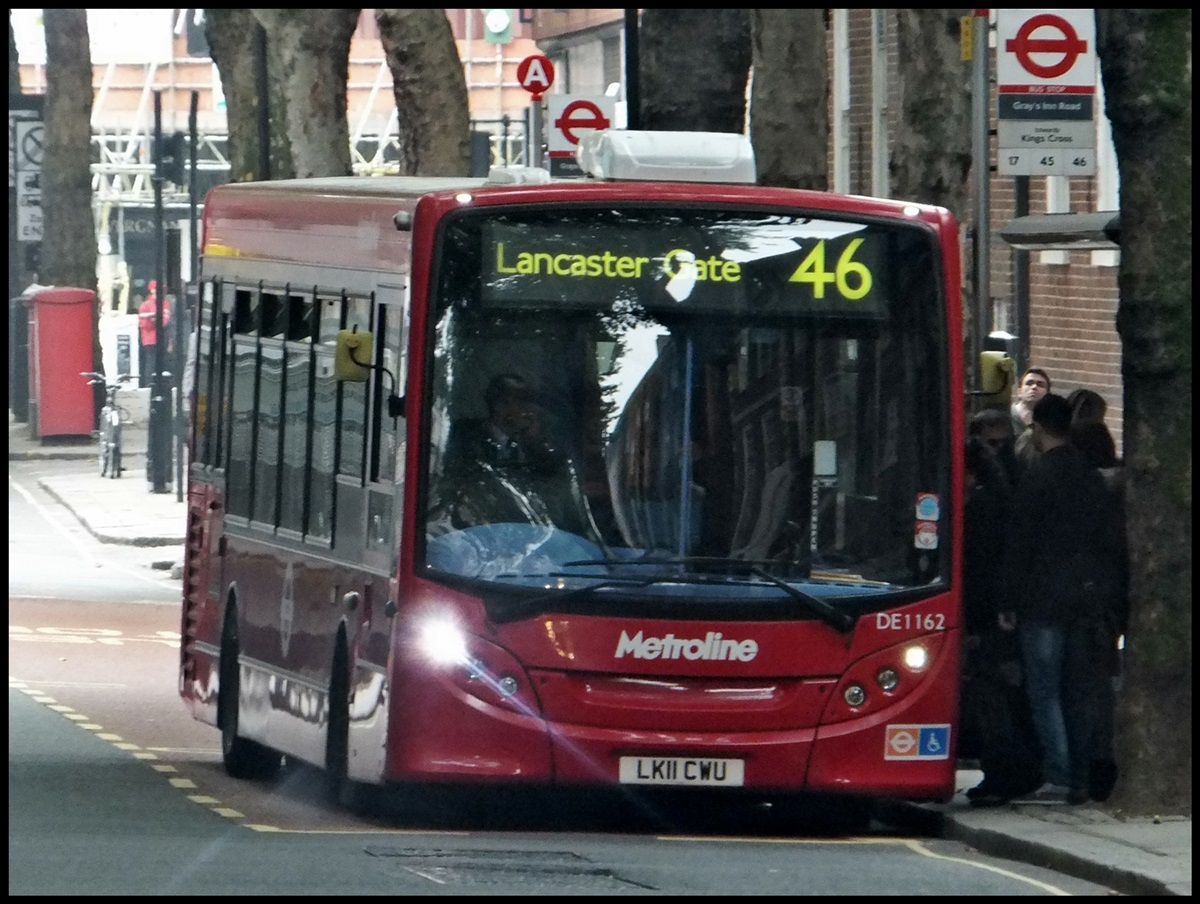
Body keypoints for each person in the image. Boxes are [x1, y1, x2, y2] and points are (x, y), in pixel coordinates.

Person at [1001, 393, 1126, 805]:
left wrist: (1007, 599)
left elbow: (1019, 543)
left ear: (1037, 428)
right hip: (1086, 600)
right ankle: (1078, 779)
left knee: (1045, 691)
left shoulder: (1037, 477)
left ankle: (1056, 776)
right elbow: (1108, 541)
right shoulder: (1089, 477)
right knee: (1077, 691)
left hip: (1042, 599)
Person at [960, 437, 1043, 806]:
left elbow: (979, 571)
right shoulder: (998, 498)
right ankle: (1007, 772)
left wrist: (974, 626)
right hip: (999, 616)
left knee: (991, 700)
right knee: (1002, 696)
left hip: (987, 620)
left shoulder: (981, 506)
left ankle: (1003, 773)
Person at [440, 373, 584, 532]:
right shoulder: (468, 445)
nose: (530, 410)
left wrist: (536, 444)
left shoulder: (533, 447)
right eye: (523, 401)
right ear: (501, 406)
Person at [968, 406, 1023, 489]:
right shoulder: (969, 463)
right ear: (977, 439)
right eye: (993, 442)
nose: (1000, 447)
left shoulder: (1013, 460)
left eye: (1006, 441)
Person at [1011, 367, 1051, 466]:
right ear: (1019, 391)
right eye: (1029, 383)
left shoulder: (1048, 423)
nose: (1034, 387)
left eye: (1040, 385)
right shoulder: (1006, 415)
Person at [137, 282, 172, 388]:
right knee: (150, 364)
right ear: (152, 290)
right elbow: (143, 324)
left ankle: (161, 386)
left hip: (163, 339)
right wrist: (154, 322)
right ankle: (149, 386)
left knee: (162, 364)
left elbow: (167, 321)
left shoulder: (166, 304)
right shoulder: (146, 305)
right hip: (150, 339)